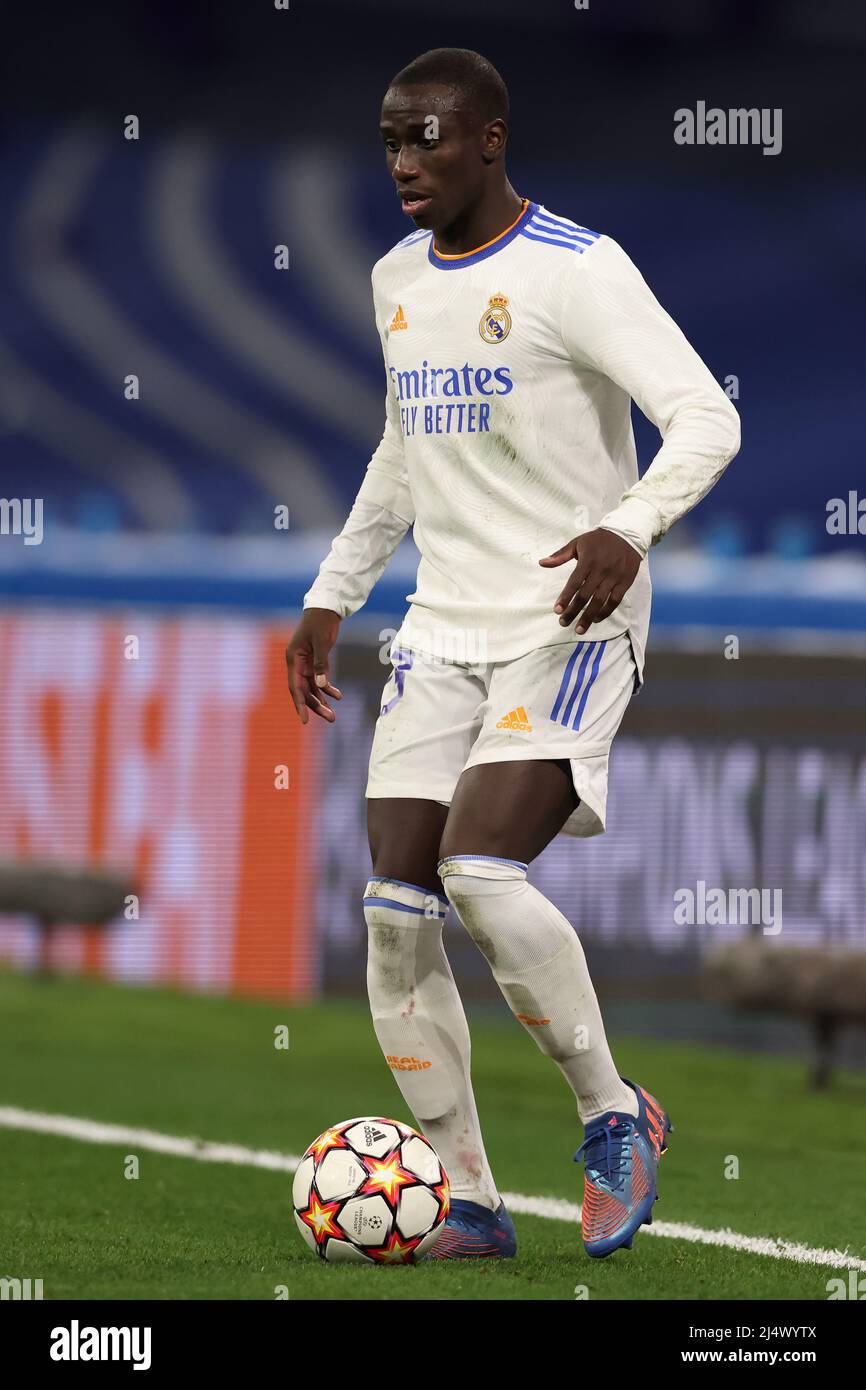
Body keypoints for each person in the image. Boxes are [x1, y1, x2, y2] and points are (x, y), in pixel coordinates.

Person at [287, 47, 740, 1259]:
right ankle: (471, 1199)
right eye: (389, 140)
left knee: (478, 874)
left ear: (489, 138)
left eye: (426, 137)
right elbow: (401, 448)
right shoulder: (393, 279)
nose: (402, 163)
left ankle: (613, 1115)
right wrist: (333, 593)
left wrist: (627, 527)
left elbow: (706, 414)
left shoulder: (576, 271)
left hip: (566, 620)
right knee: (393, 907)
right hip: (440, 627)